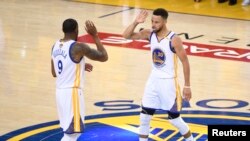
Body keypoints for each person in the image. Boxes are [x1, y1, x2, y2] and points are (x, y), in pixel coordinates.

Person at [122, 9, 194, 141]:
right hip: (153, 80)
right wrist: (135, 22)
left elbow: (185, 62)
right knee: (144, 116)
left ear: (165, 21)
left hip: (169, 83)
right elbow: (126, 36)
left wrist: (187, 85)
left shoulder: (174, 39)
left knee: (174, 119)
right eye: (152, 21)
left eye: (157, 22)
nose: (153, 25)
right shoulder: (149, 34)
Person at [51, 18, 108, 141]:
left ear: (63, 30)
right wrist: (95, 36)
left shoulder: (55, 46)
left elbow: (54, 72)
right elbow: (103, 56)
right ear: (76, 30)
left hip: (60, 93)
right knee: (72, 134)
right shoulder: (78, 47)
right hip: (72, 94)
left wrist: (79, 66)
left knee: (70, 132)